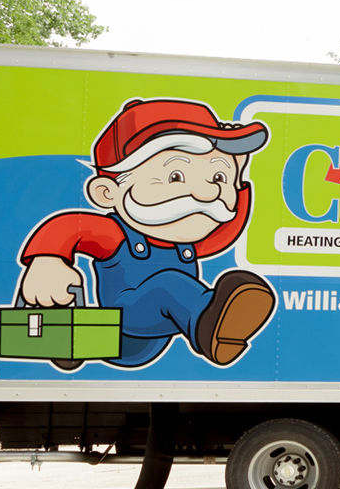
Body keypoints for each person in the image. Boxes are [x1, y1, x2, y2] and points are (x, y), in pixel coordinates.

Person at [16, 98, 276, 369]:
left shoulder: (186, 243)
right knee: (169, 285)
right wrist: (48, 261)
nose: (208, 193)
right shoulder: (116, 234)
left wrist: (239, 175)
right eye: (176, 176)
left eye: (218, 178)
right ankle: (210, 325)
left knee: (172, 286)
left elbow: (227, 228)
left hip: (161, 333)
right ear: (107, 192)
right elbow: (72, 226)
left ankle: (216, 329)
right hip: (125, 326)